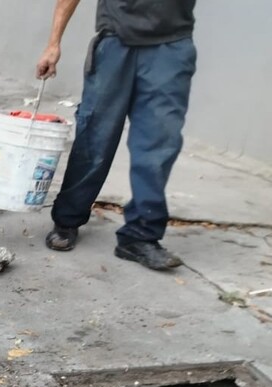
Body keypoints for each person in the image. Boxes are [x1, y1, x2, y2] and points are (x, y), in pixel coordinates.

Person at [38, 0, 197, 271]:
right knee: (95, 137)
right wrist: (54, 42)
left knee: (159, 145)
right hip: (115, 42)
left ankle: (140, 236)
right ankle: (67, 219)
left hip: (171, 46)